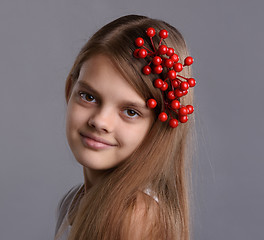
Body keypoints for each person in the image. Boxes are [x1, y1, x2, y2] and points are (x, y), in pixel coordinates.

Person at [55, 14, 196, 240]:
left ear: (158, 128)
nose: (100, 121)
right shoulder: (74, 202)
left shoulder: (133, 216)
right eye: (88, 96)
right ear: (70, 88)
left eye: (130, 112)